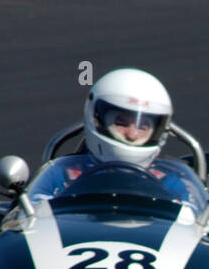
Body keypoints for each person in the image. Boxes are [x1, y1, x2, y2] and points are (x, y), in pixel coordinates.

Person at [27, 68, 191, 200]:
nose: (132, 135)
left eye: (143, 127)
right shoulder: (61, 175)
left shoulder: (170, 183)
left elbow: (197, 225)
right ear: (97, 119)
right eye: (121, 123)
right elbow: (27, 218)